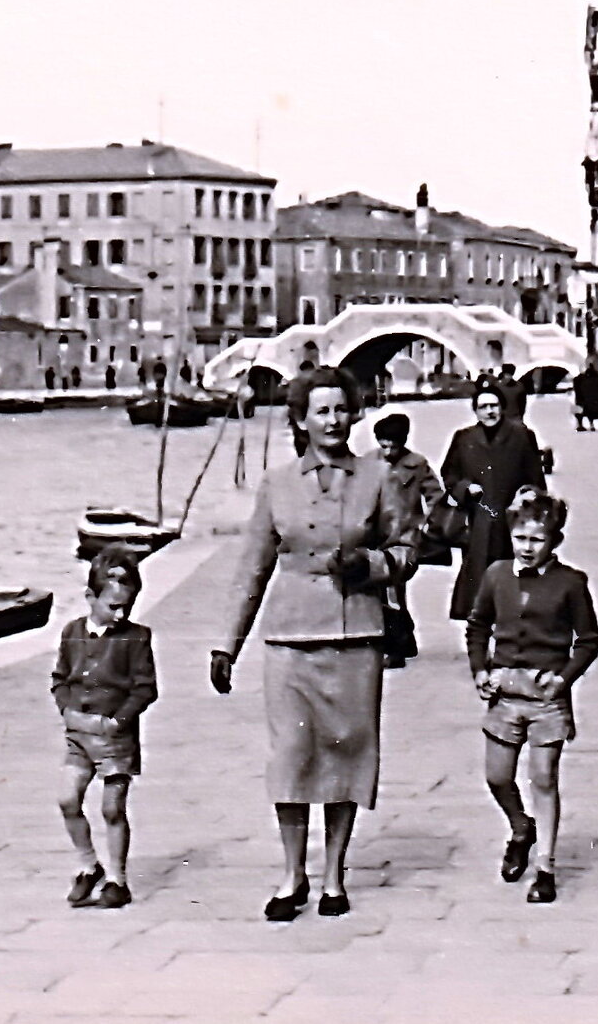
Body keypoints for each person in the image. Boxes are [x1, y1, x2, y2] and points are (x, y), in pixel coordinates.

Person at [211, 366, 417, 921]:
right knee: (291, 756)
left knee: (349, 750)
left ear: (354, 414)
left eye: (340, 409)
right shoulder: (276, 484)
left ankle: (333, 876)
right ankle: (291, 874)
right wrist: (226, 646)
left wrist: (370, 565)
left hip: (356, 636)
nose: (332, 420)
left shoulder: (379, 478)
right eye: (319, 410)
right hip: (290, 637)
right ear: (300, 419)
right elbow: (251, 568)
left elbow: (408, 551)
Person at [466, 487, 598, 905]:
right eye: (520, 538)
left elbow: (589, 640)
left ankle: (545, 865)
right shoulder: (496, 576)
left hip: (546, 697)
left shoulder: (571, 583)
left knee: (544, 778)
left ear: (554, 540)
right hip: (505, 694)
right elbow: (477, 625)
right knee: (497, 776)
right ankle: (520, 827)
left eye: (537, 539)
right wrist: (480, 669)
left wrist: (564, 679)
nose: (527, 548)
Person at [52, 545, 158, 911]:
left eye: (126, 606)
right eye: (112, 606)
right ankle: (87, 865)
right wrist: (66, 708)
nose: (120, 613)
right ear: (89, 597)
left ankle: (117, 879)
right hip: (79, 734)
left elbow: (145, 688)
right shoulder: (72, 633)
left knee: (113, 809)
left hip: (115, 737)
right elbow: (60, 679)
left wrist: (119, 719)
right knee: (68, 799)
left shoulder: (136, 638)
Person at [441, 384, 548, 621]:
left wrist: (527, 495)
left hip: (512, 524)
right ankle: (481, 634)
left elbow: (536, 481)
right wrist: (465, 487)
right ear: (475, 411)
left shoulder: (521, 435)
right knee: (478, 583)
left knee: (515, 580)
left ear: (502, 408)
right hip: (478, 523)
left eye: (494, 406)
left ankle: (513, 633)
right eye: (483, 407)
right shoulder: (464, 438)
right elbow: (449, 475)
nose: (490, 412)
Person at [373, 412, 444, 667]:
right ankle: (407, 639)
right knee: (390, 593)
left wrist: (428, 526)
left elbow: (436, 496)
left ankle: (396, 650)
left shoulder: (417, 464)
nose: (388, 450)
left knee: (391, 591)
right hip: (376, 538)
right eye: (383, 444)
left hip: (405, 540)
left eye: (393, 445)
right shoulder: (369, 462)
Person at [570, 364, 598, 433]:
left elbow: (579, 398)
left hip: (587, 409)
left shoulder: (582, 381)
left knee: (579, 407)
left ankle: (581, 425)